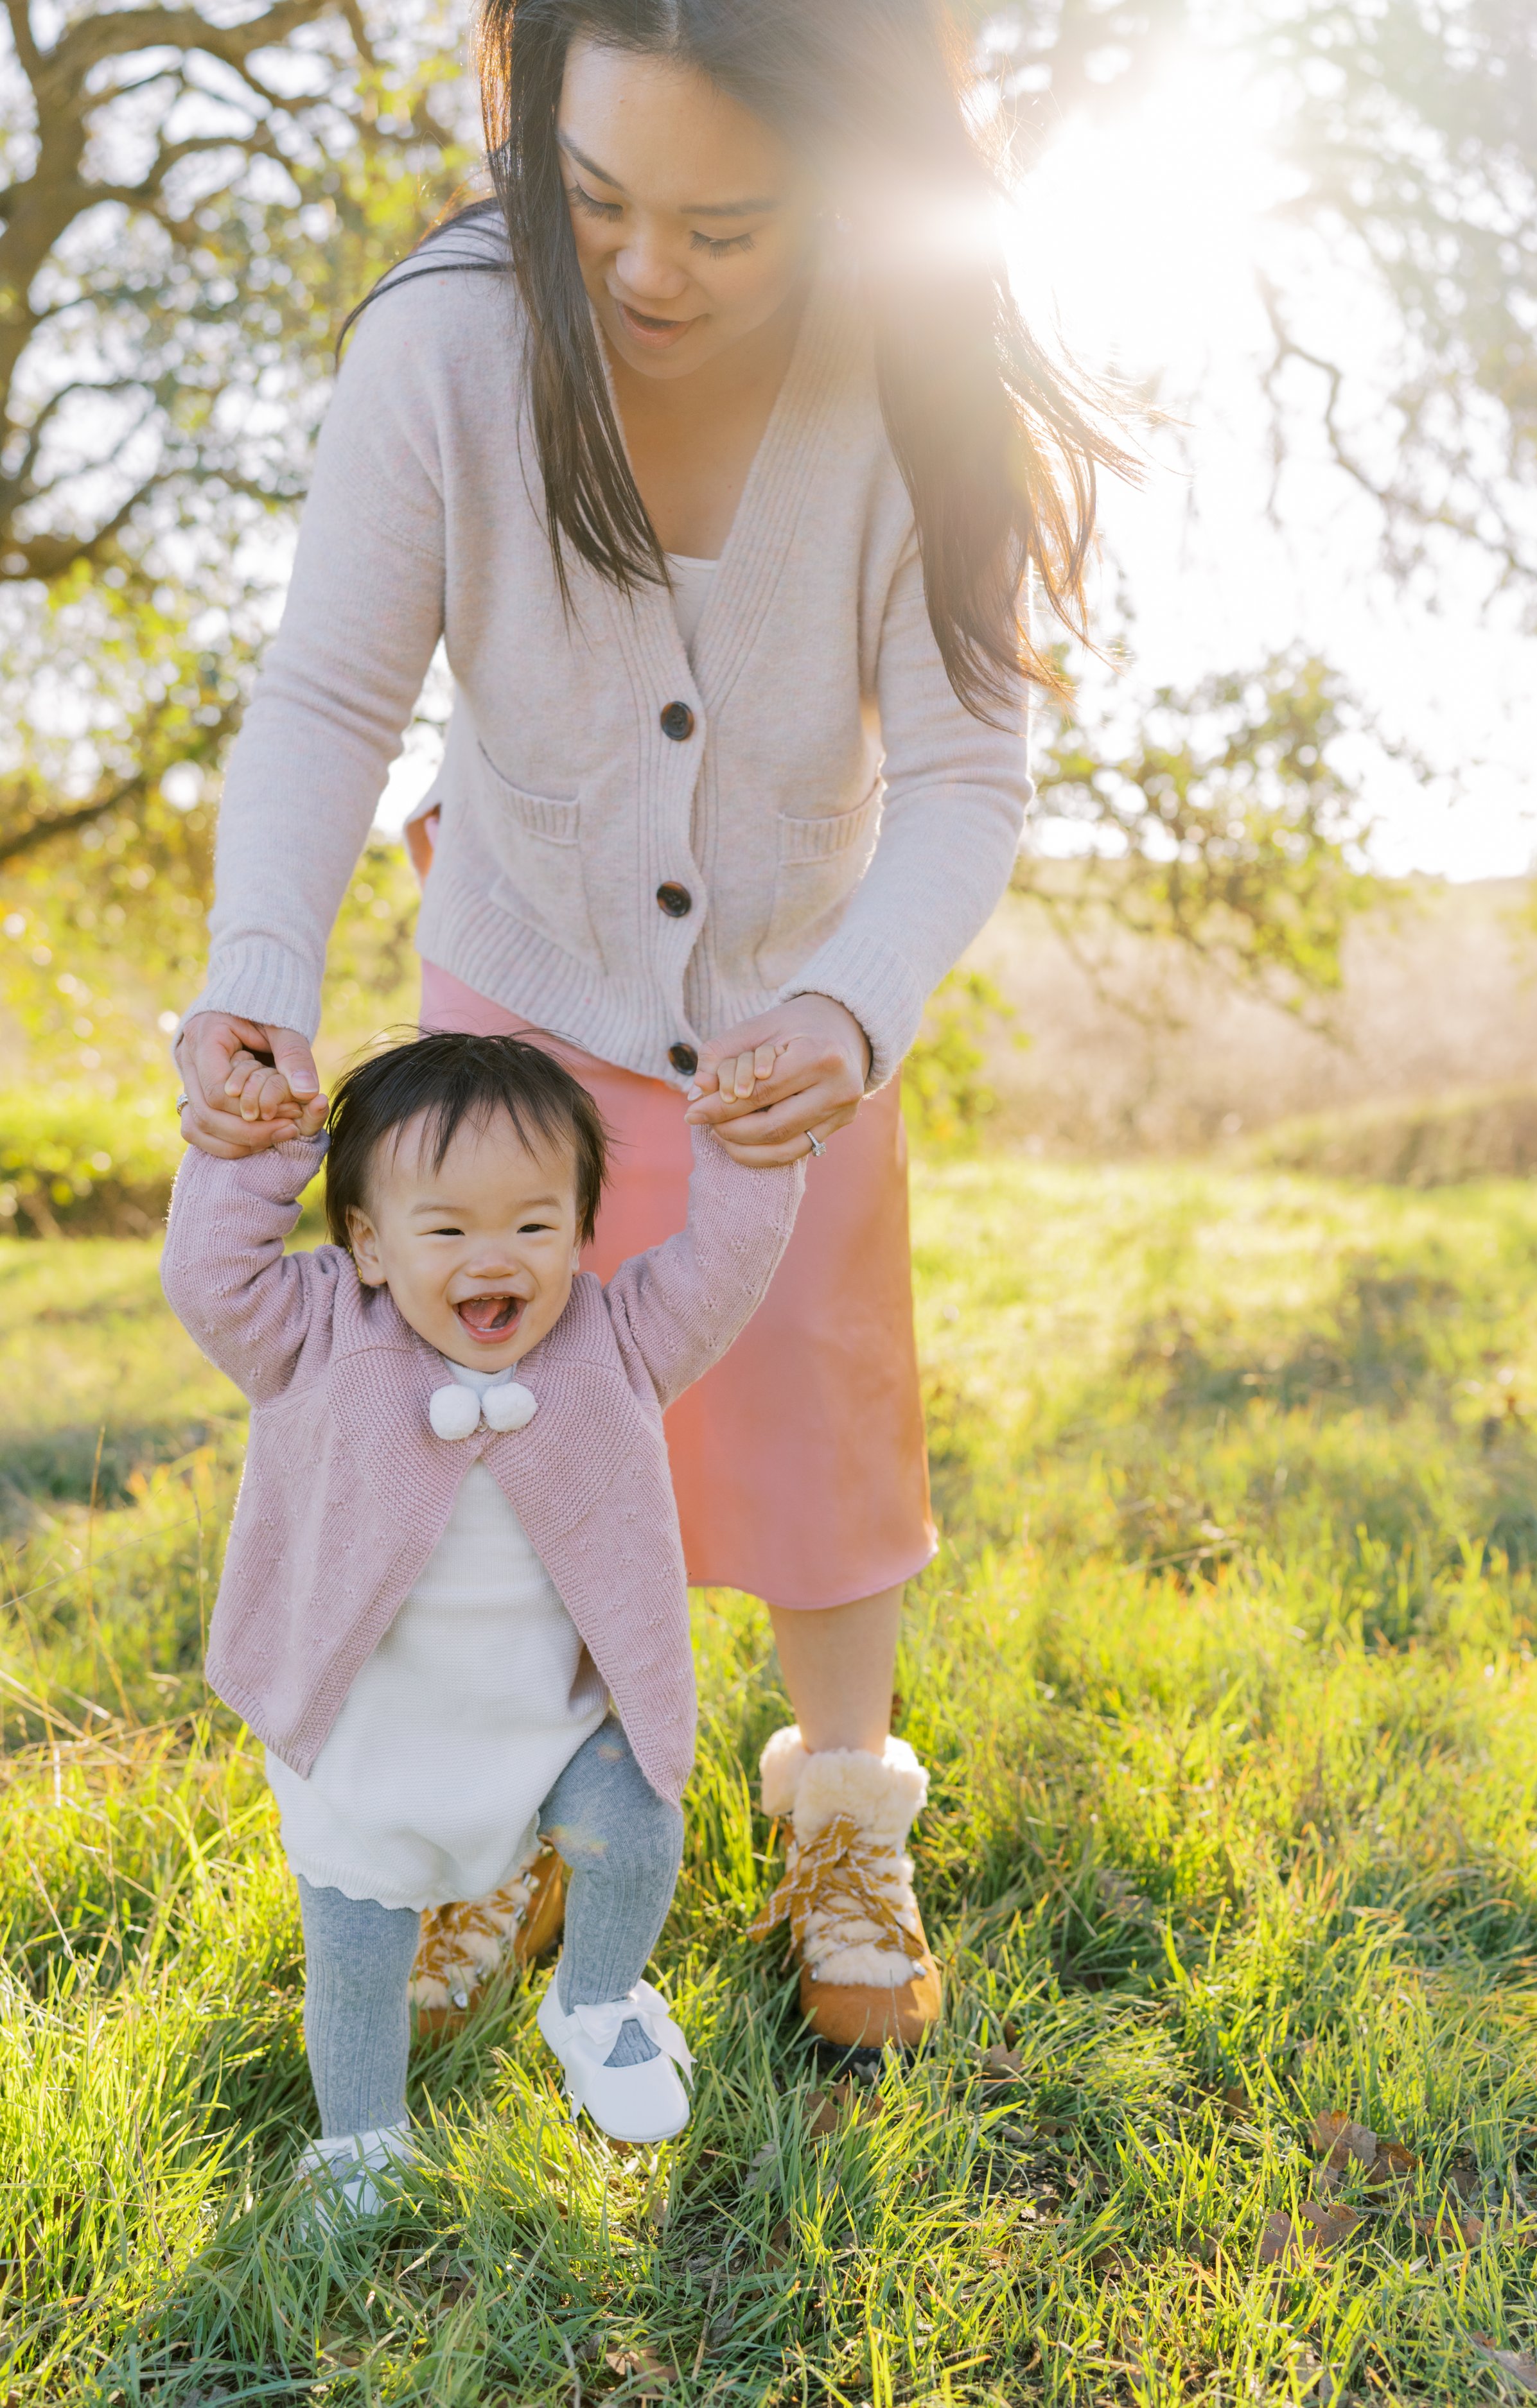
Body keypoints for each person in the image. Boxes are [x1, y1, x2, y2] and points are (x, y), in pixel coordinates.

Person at [171, 0, 1125, 2049]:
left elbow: (967, 770)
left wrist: (850, 1005)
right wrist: (258, 970)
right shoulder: (441, 345)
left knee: (814, 1399)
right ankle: (498, 1821)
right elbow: (331, 693)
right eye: (595, 198)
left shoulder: (908, 381)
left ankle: (839, 1813)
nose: (644, 267)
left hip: (792, 1014)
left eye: (725, 219)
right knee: (490, 1432)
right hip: (517, 982)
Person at [162, 1031, 803, 2212]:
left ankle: (597, 1998)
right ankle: (362, 2140)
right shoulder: (313, 1331)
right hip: (370, 1745)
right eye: (447, 1230)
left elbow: (720, 1268)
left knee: (639, 1820)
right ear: (366, 1240)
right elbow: (210, 1279)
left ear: (577, 1232)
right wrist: (259, 1151)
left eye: (534, 1225)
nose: (493, 1258)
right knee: (357, 1967)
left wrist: (745, 1150)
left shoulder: (615, 1338)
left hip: (550, 1731)